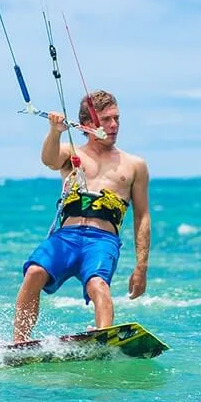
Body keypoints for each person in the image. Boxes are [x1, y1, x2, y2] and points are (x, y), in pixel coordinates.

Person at [13, 90, 151, 342]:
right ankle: (19, 343)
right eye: (106, 120)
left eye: (117, 119)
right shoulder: (70, 153)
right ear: (87, 124)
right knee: (33, 272)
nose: (113, 125)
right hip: (66, 237)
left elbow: (142, 217)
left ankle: (102, 338)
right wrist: (54, 131)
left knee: (98, 285)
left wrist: (141, 267)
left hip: (101, 241)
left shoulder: (134, 165)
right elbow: (49, 160)